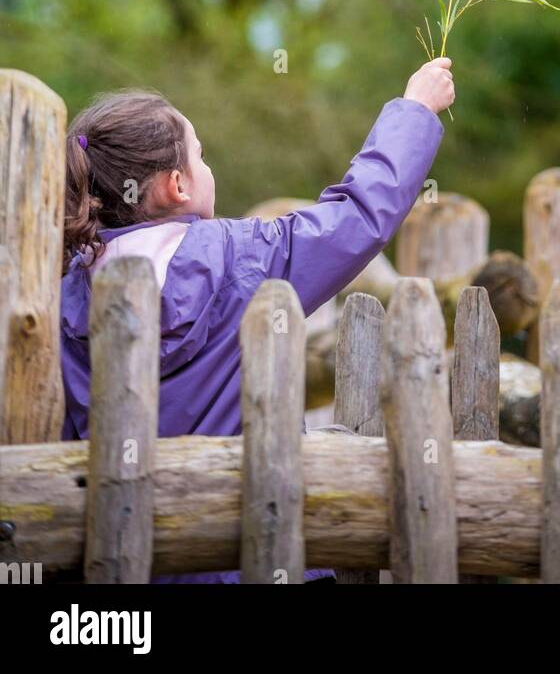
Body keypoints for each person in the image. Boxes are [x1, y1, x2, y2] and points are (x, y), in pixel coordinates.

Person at [60, 57, 455, 583]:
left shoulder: (60, 294)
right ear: (178, 185)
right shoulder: (240, 256)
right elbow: (355, 217)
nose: (209, 168)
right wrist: (415, 110)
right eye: (202, 156)